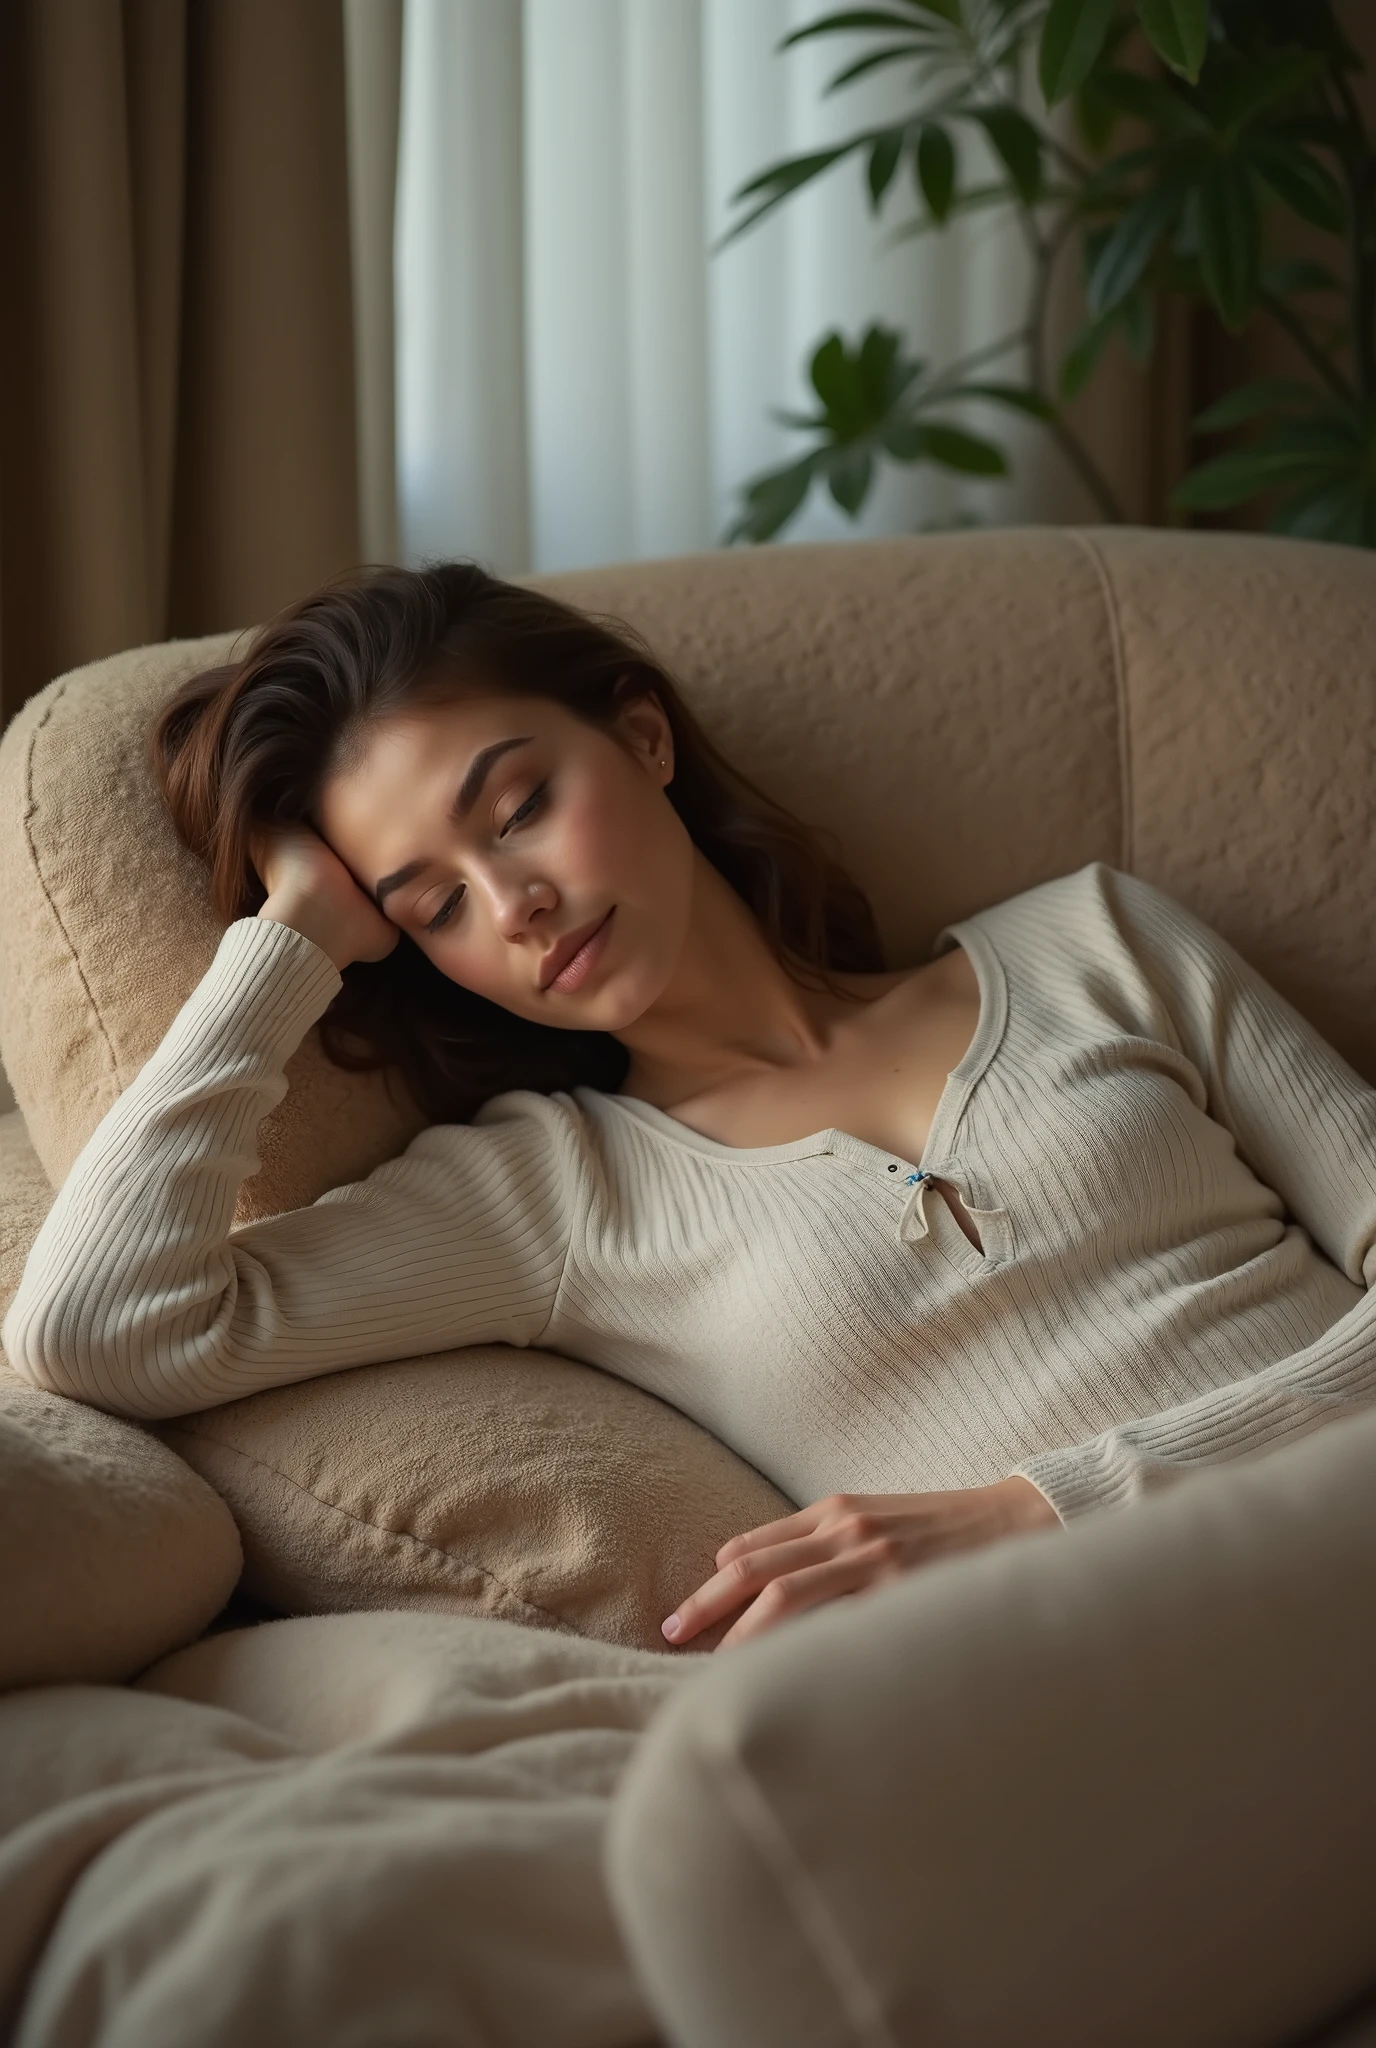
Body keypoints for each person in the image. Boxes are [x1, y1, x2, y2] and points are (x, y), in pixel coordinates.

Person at [6, 562, 1375, 1652]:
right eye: (430, 906)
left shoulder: (1095, 943)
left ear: (643, 735)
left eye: (520, 806)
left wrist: (1041, 1510)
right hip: (1158, 1697)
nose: (514, 905)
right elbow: (99, 1330)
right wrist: (291, 942)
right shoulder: (549, 1196)